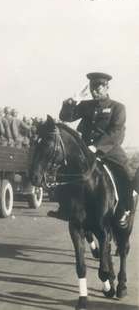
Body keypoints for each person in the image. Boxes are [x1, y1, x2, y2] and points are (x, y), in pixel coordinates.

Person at [50, 72, 138, 227]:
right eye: (92, 87)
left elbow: (115, 132)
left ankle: (125, 210)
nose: (94, 91)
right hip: (85, 151)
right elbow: (65, 117)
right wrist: (71, 102)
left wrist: (96, 147)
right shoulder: (86, 105)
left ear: (106, 87)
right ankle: (65, 207)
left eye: (98, 87)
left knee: (125, 174)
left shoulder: (117, 107)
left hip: (109, 151)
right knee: (65, 172)